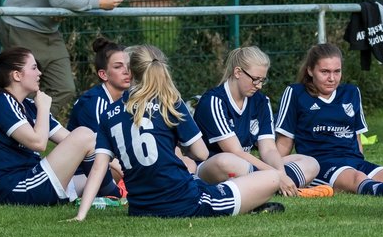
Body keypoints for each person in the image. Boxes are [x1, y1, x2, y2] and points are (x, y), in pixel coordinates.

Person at [74, 45, 283, 219]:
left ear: (131, 73)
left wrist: (81, 215)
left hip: (140, 208)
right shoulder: (170, 103)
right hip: (186, 203)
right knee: (272, 177)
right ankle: (247, 204)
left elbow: (98, 168)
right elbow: (201, 154)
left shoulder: (110, 113)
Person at [192, 46, 322, 198]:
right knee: (225, 161)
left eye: (262, 80)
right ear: (238, 72)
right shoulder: (213, 101)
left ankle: (265, 184)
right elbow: (235, 151)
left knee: (311, 164)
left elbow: (268, 150)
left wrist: (279, 172)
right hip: (213, 167)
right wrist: (276, 175)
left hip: (246, 168)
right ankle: (270, 184)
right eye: (255, 79)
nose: (259, 86)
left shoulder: (262, 101)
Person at [274, 43, 383, 196]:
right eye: (325, 72)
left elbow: (357, 138)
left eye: (337, 71)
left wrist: (359, 162)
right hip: (321, 164)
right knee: (357, 178)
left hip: (353, 161)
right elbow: (284, 142)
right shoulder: (295, 93)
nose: (332, 78)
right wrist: (275, 174)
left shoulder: (351, 92)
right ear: (310, 70)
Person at [0, 47, 97, 205]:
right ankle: (115, 193)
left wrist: (119, 164)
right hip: (19, 187)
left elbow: (72, 140)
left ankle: (116, 189)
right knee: (83, 134)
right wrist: (44, 108)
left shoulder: (29, 105)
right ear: (17, 75)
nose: (39, 73)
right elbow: (38, 143)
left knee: (105, 169)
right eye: (33, 68)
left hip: (37, 180)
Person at [66, 36, 132, 197]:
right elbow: (101, 154)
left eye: (129, 66)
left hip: (110, 165)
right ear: (103, 74)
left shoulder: (130, 97)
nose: (126, 71)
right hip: (81, 175)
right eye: (118, 67)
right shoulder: (95, 102)